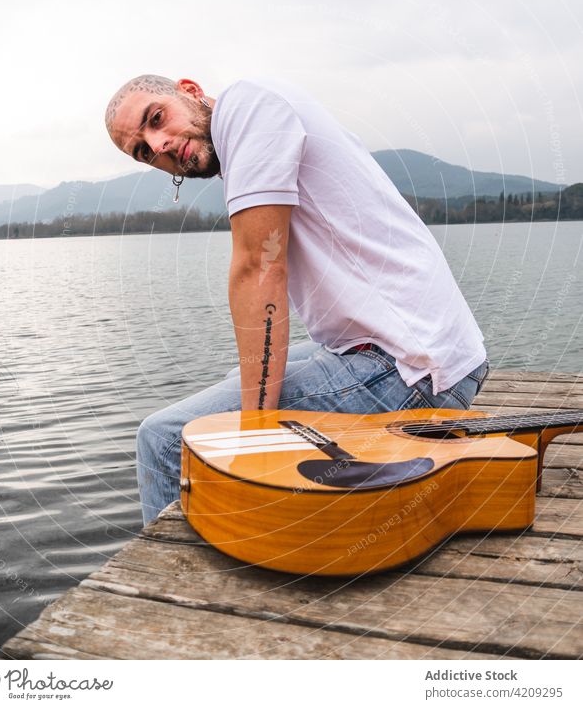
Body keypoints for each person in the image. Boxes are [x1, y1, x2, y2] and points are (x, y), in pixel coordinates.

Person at [105, 74, 489, 524]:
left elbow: (259, 267)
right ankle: (267, 515)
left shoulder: (247, 110)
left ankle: (171, 579)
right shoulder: (263, 112)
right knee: (242, 377)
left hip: (411, 371)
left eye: (156, 119)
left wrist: (253, 439)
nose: (161, 145)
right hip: (435, 353)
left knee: (165, 439)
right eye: (144, 151)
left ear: (188, 90)